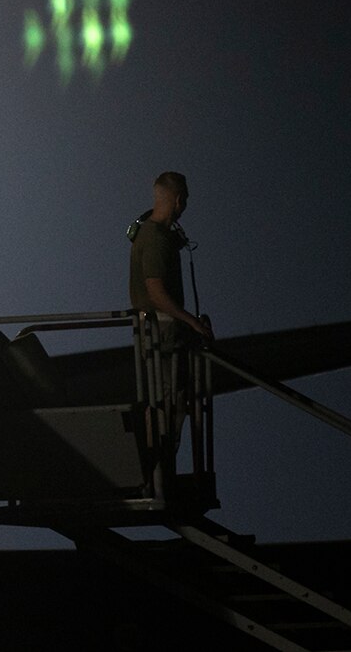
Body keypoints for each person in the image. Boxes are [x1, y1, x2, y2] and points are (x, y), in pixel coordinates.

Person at [127, 169, 210, 481]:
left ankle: (157, 473)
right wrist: (192, 323)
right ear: (178, 200)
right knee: (165, 406)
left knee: (166, 404)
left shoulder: (151, 235)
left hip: (157, 333)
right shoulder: (156, 238)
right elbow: (156, 292)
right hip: (161, 335)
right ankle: (155, 475)